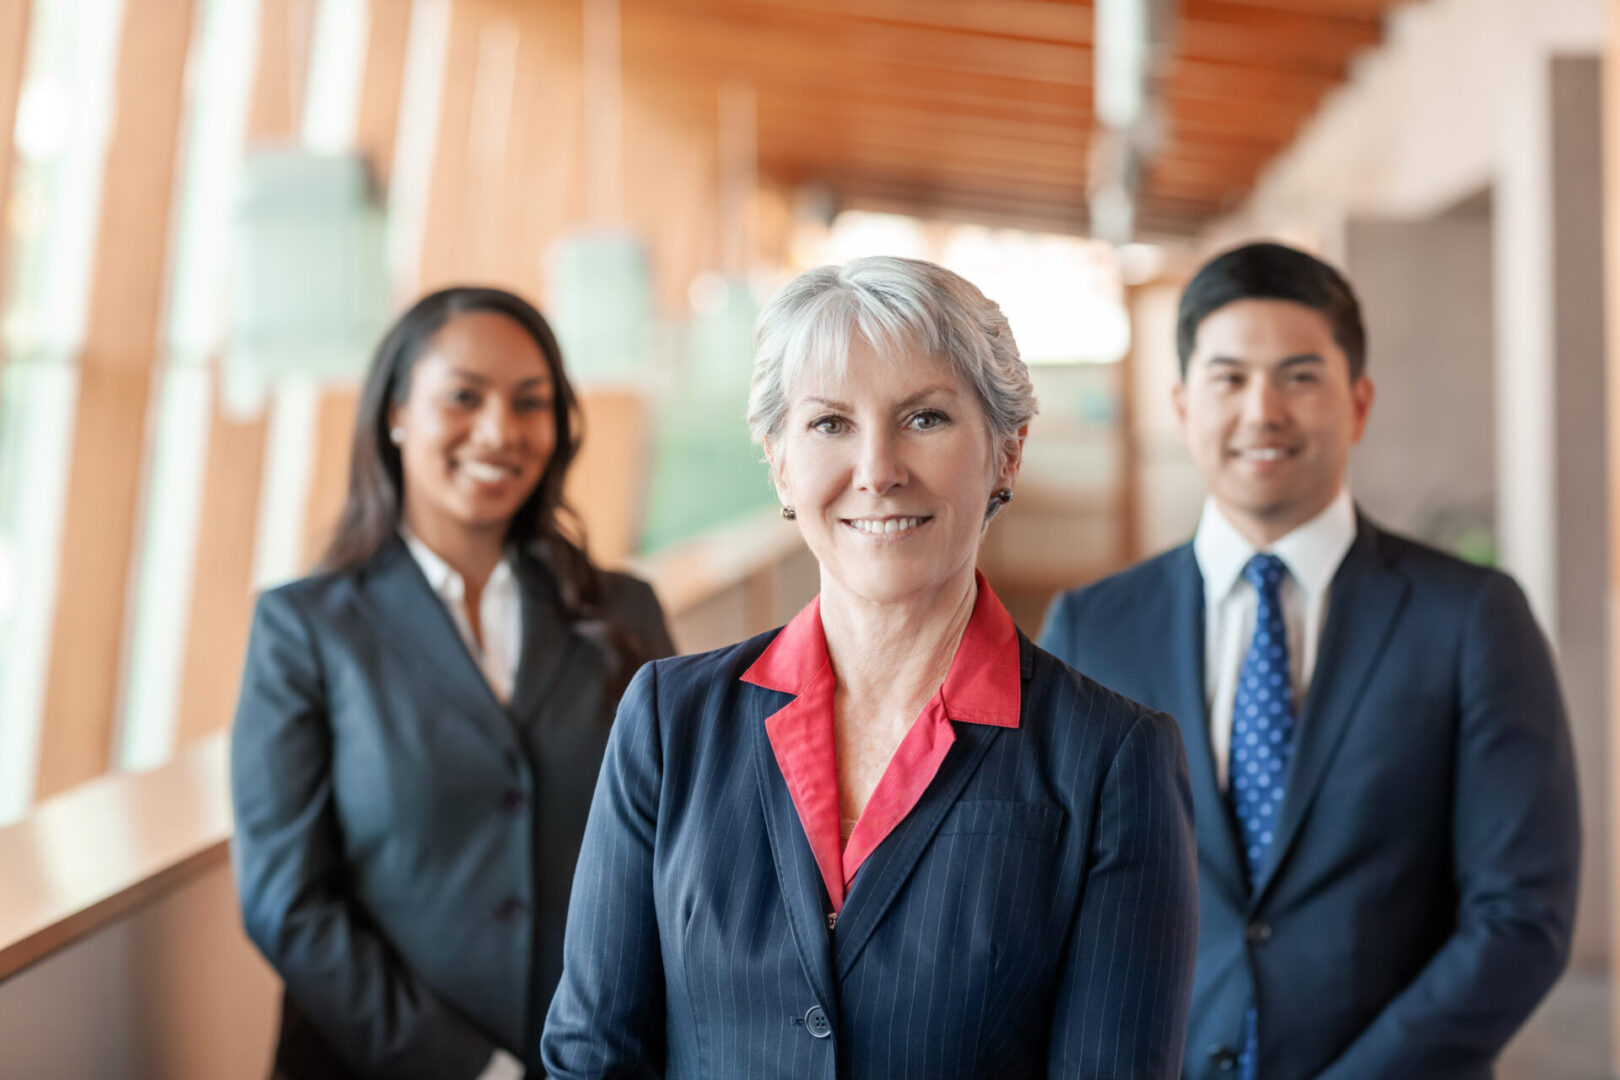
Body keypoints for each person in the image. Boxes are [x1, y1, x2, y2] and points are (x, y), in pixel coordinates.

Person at [541, 255, 1199, 1079]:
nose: (879, 470)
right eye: (830, 425)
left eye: (924, 418)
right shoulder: (670, 723)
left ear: (1008, 452)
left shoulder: (1111, 761)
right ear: (779, 461)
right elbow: (592, 1056)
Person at [1039, 241, 1580, 1080]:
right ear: (1183, 405)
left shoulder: (1472, 618)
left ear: (1358, 403)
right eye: (1229, 378)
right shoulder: (1093, 627)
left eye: (1299, 376)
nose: (1263, 411)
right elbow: (1054, 903)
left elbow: (1521, 918)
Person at [231, 286, 675, 1080]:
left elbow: (675, 857)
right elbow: (286, 904)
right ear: (396, 413)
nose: (500, 431)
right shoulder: (304, 629)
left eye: (530, 403)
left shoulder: (623, 613)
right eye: (464, 397)